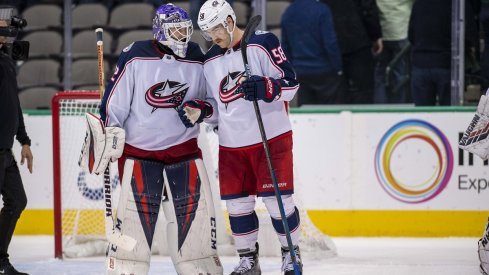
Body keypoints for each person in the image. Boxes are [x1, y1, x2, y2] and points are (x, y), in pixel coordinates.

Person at [94, 4, 223, 275]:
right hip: (139, 154)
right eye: (175, 29)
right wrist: (108, 133)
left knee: (193, 220)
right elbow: (114, 104)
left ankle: (197, 265)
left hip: (184, 151)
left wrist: (201, 109)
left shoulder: (197, 57)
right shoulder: (136, 55)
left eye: (185, 29)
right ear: (160, 31)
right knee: (134, 223)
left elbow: (215, 103)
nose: (182, 35)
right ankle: (128, 267)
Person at [180, 0, 302, 274]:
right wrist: (201, 110)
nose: (214, 37)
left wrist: (265, 86)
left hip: (271, 139)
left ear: (230, 20)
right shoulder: (210, 59)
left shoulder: (263, 43)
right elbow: (216, 106)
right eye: (208, 32)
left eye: (217, 29)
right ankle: (249, 260)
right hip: (232, 145)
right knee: (237, 206)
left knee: (277, 202)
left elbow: (291, 83)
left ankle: (291, 254)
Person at [0, 13, 32, 275]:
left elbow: (14, 103)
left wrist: (24, 140)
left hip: (5, 150)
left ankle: (0, 260)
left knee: (17, 201)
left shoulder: (6, 61)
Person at [408, 0, 478, 106]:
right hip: (447, 65)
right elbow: (469, 36)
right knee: (449, 116)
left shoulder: (419, 3)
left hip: (421, 64)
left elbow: (411, 35)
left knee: (423, 116)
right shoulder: (458, 5)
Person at [281, 0, 343, 105]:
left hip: (300, 71)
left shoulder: (288, 12)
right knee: (329, 113)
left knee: (307, 112)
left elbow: (285, 46)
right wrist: (338, 67)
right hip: (324, 70)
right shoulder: (322, 10)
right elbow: (330, 44)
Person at [322, 0, 383, 104]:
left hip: (332, 41)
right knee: (363, 89)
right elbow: (368, 10)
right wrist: (375, 36)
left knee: (337, 90)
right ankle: (363, 118)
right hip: (358, 40)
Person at [374, 0, 413, 104]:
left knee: (380, 75)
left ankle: (379, 109)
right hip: (401, 32)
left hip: (382, 35)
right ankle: (399, 109)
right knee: (401, 75)